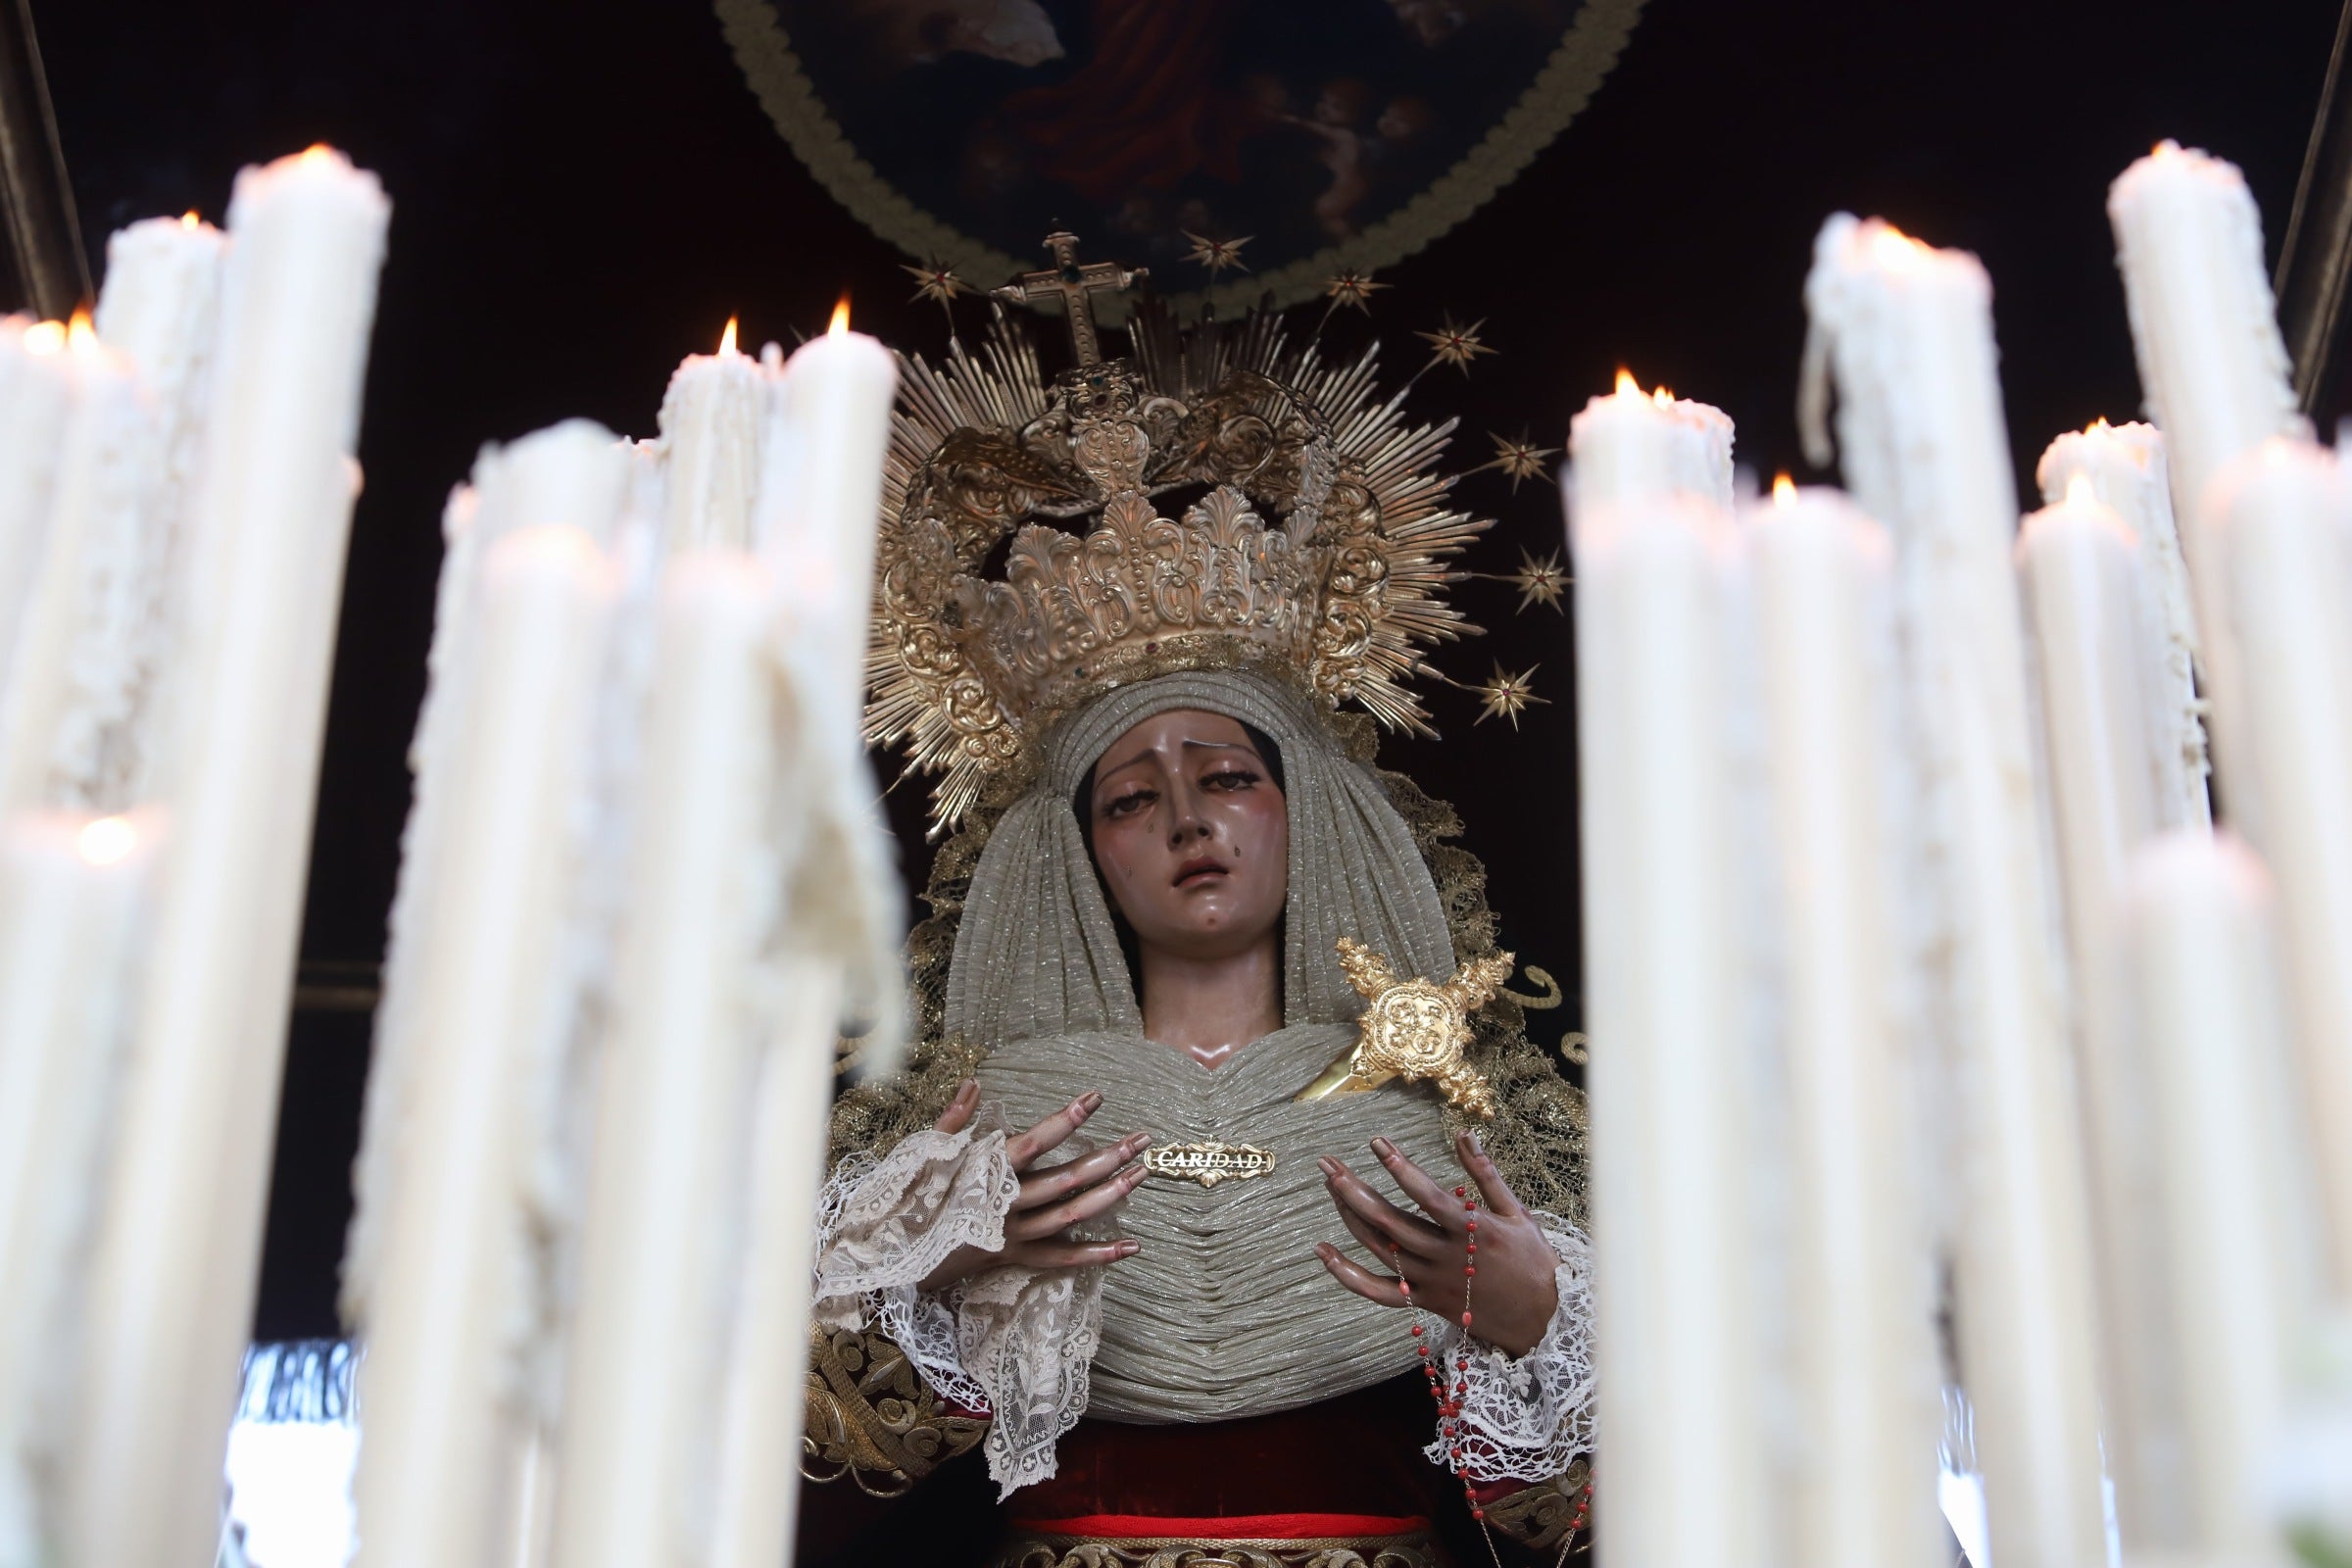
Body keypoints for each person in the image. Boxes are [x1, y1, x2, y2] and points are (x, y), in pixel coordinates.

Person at [806, 673, 1593, 1568]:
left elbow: (1608, 1510)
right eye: (1132, 799)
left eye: (1226, 778)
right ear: (1080, 854)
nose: (1185, 820)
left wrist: (1535, 1319)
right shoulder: (997, 1128)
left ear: (1305, 811)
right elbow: (823, 1464)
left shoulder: (1439, 1116)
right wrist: (927, 1270)